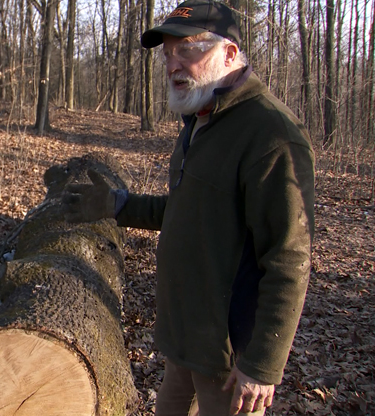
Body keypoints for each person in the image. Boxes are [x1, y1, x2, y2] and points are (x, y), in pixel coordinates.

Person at [62, 1, 315, 415]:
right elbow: (187, 211)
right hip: (186, 342)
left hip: (229, 357)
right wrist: (117, 206)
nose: (173, 63)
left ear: (230, 53)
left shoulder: (271, 135)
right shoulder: (202, 117)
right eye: (167, 53)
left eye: (187, 50)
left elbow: (288, 258)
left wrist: (263, 365)